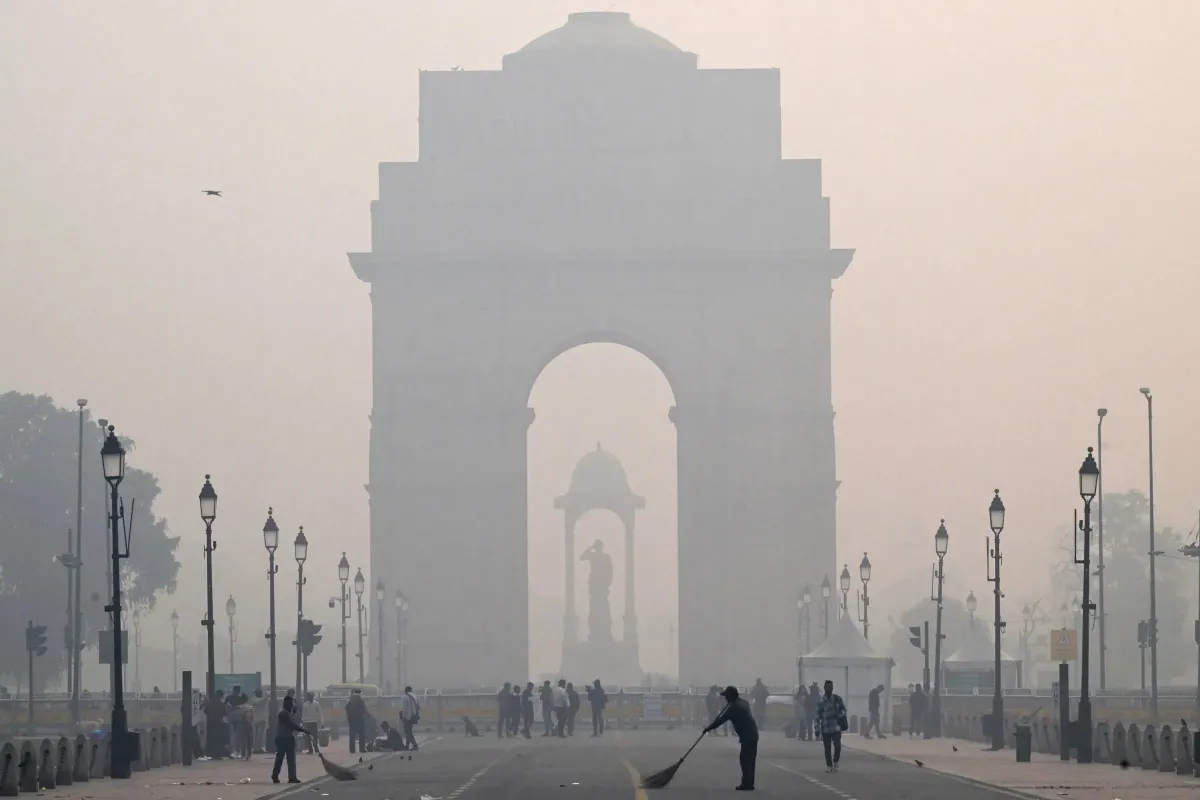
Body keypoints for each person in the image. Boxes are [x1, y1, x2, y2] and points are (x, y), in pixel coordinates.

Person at [703, 686, 759, 791]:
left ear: (732, 696)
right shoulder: (743, 703)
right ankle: (749, 783)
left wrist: (708, 728)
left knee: (745, 759)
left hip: (747, 735)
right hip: (753, 733)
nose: (726, 698)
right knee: (750, 760)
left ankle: (747, 784)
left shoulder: (734, 707)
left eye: (727, 696)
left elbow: (720, 720)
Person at [271, 695, 308, 784]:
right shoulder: (283, 713)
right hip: (283, 738)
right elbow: (291, 725)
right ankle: (275, 775)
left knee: (291, 759)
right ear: (287, 704)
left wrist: (294, 713)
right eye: (291, 703)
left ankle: (292, 777)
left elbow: (293, 722)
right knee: (280, 758)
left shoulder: (288, 713)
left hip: (288, 738)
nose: (292, 705)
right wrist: (303, 730)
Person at [816, 680, 848, 773]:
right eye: (828, 687)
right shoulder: (821, 701)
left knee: (837, 745)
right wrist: (816, 728)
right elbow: (817, 715)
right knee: (827, 747)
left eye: (831, 687)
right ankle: (829, 765)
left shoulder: (837, 699)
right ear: (825, 688)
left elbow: (844, 710)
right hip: (825, 728)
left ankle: (836, 762)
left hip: (836, 727)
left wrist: (839, 715)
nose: (830, 689)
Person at [345, 689, 367, 754]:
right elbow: (363, 710)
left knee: (352, 736)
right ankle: (362, 749)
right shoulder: (360, 700)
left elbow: (347, 709)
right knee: (362, 735)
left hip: (352, 721)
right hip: (360, 720)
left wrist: (350, 718)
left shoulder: (350, 700)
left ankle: (352, 750)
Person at [399, 685, 420, 751]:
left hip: (408, 716)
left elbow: (404, 708)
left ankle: (415, 745)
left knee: (407, 731)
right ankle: (407, 746)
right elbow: (419, 707)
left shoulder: (405, 697)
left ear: (406, 691)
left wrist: (402, 716)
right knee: (409, 730)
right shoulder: (415, 696)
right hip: (414, 716)